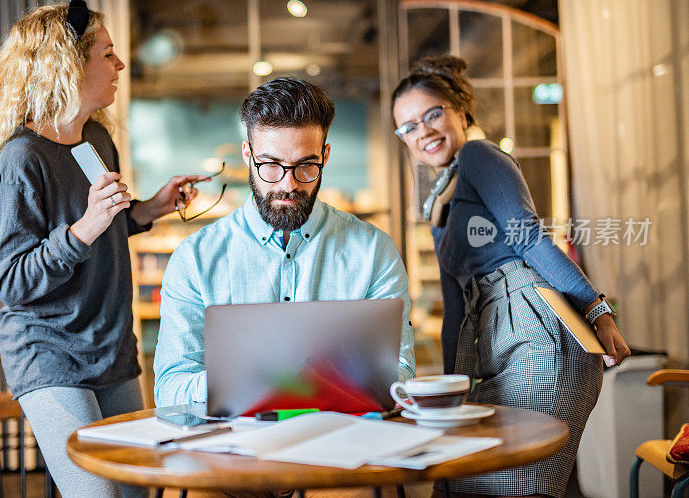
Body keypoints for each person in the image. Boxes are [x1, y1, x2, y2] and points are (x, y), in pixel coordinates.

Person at [0, 0, 208, 498]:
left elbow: (106, 227)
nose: (118, 66)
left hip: (111, 349)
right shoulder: (18, 161)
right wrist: (84, 227)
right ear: (68, 65)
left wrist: (148, 209)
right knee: (98, 495)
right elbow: (13, 283)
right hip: (50, 356)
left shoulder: (95, 140)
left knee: (136, 491)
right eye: (108, 54)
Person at [391, 55, 631, 498]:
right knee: (455, 482)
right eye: (407, 126)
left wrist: (598, 309)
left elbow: (530, 239)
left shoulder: (478, 155)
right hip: (491, 344)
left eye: (432, 114)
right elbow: (453, 311)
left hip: (539, 332)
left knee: (518, 487)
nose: (421, 130)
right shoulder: (438, 204)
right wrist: (452, 392)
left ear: (459, 113)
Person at [154, 76, 415, 407]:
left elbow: (401, 375)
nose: (289, 185)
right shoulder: (195, 259)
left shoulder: (374, 252)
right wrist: (249, 379)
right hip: (234, 450)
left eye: (306, 166)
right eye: (271, 166)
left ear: (325, 155)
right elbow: (169, 391)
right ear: (248, 155)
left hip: (341, 442)